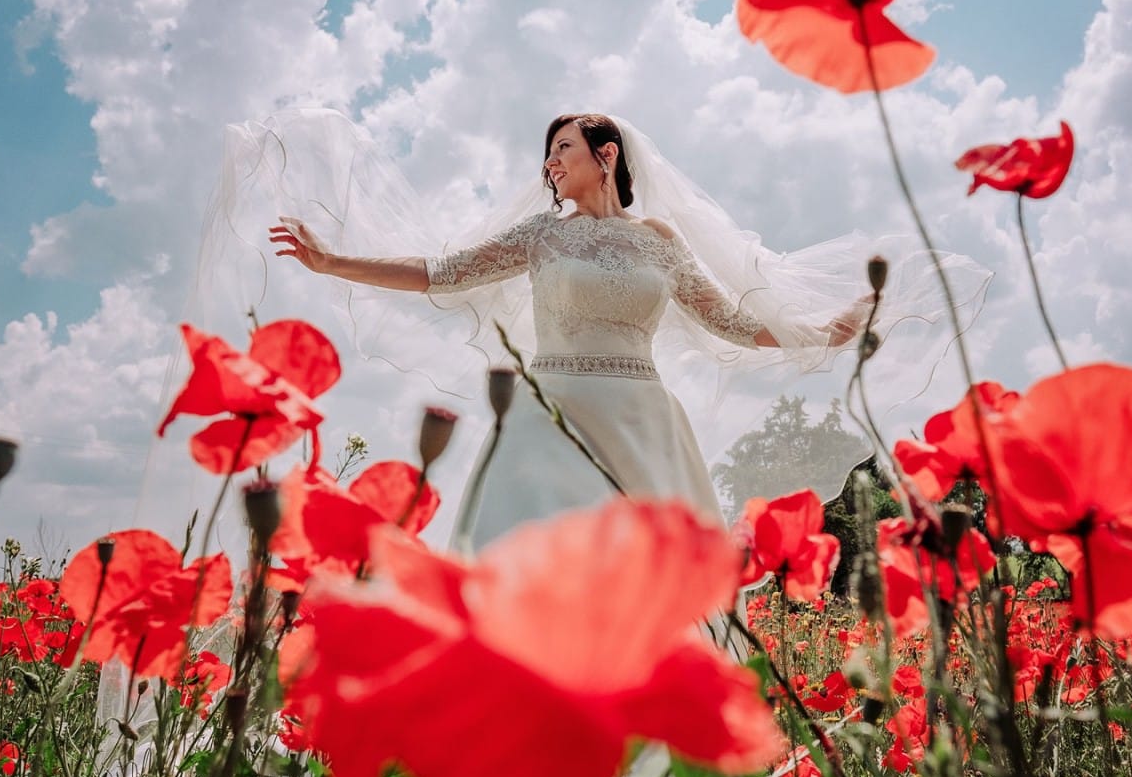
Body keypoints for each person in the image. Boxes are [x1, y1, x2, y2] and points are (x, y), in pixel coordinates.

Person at [267, 113, 873, 551]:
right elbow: (440, 273)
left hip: (642, 422)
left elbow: (730, 322)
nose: (550, 162)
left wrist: (823, 334)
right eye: (548, 153)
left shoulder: (659, 239)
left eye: (563, 147)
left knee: (642, 569)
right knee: (537, 553)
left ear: (606, 154)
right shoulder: (542, 235)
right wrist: (333, 261)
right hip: (551, 417)